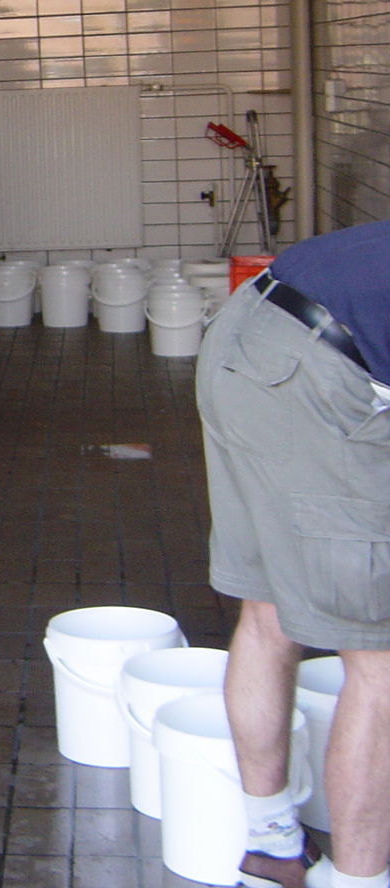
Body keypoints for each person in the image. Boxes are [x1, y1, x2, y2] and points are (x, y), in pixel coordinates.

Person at [196, 222, 390, 888]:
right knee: (379, 655)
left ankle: (272, 844)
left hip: (245, 331)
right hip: (313, 370)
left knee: (269, 608)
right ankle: (359, 880)